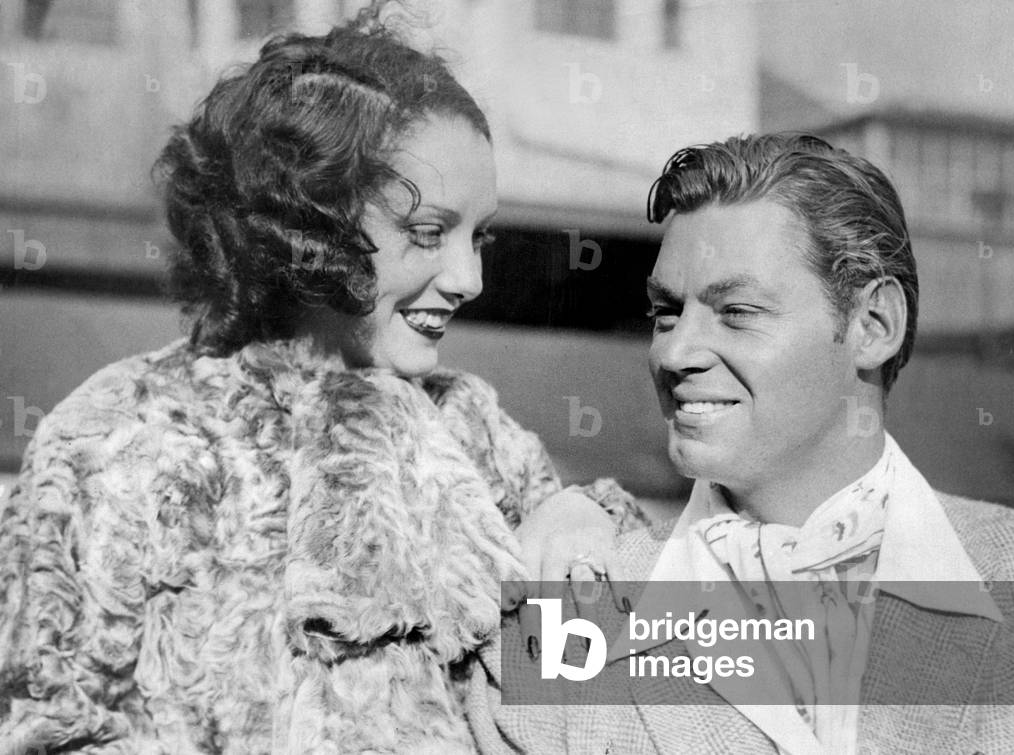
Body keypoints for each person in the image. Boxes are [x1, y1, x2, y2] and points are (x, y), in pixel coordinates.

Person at [0, 16, 646, 754]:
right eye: (430, 232)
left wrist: (586, 523)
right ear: (308, 224)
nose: (470, 279)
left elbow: (609, 694)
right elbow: (48, 728)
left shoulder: (472, 428)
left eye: (481, 236)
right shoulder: (117, 439)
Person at [470, 134, 1014, 754]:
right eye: (666, 313)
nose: (674, 354)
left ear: (874, 326)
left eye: (736, 311)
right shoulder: (560, 614)